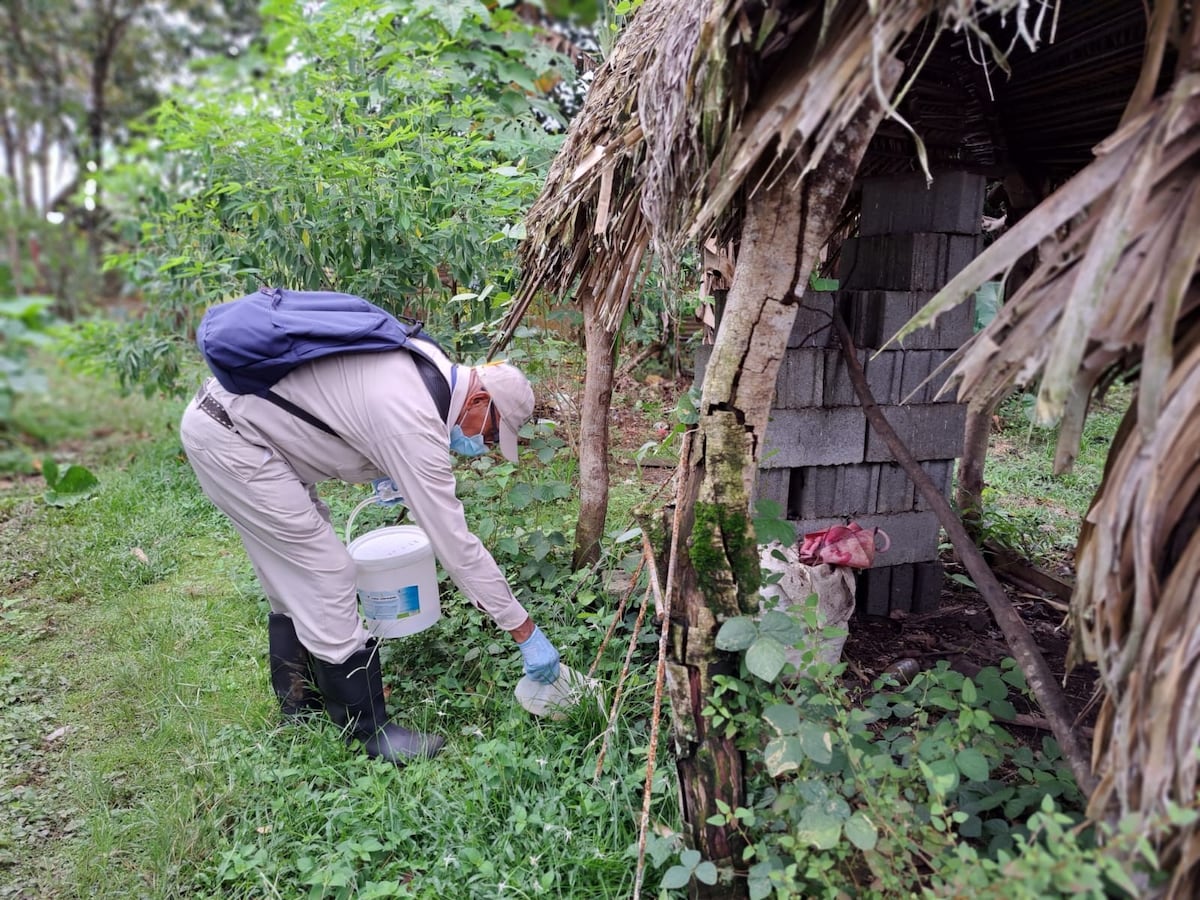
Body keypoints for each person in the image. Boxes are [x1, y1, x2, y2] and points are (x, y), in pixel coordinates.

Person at [179, 338, 562, 765]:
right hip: (236, 438)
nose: (484, 444)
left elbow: (346, 404)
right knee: (326, 570)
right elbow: (457, 546)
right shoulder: (414, 419)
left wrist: (381, 466)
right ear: (477, 399)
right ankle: (366, 730)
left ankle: (297, 700)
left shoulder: (427, 362)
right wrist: (524, 630)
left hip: (232, 421)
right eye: (490, 431)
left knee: (289, 562)